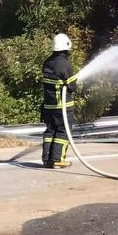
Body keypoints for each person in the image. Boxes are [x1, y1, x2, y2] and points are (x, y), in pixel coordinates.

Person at [40, 33, 78, 168]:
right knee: (63, 131)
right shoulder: (64, 64)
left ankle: (47, 159)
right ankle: (57, 159)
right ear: (66, 47)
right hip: (62, 106)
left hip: (48, 106)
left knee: (50, 131)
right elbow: (72, 86)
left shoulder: (47, 62)